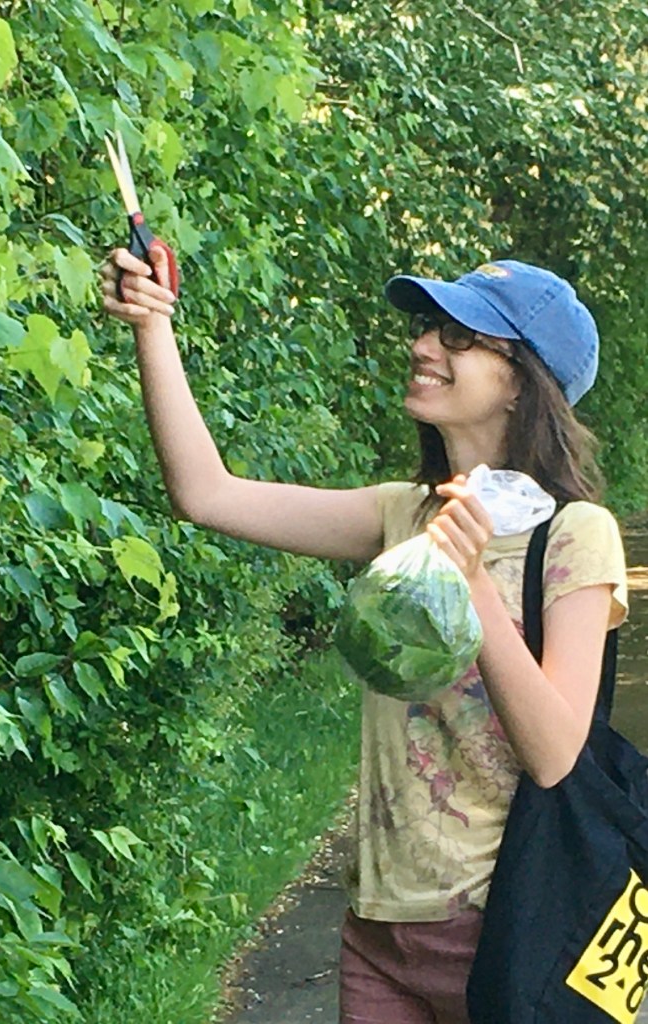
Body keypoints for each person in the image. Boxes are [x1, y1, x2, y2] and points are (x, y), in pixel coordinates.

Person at [101, 249, 627, 1024]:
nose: (423, 346)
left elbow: (554, 754)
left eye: (459, 337)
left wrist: (470, 579)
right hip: (381, 928)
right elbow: (206, 493)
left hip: (507, 923)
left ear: (522, 379)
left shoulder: (576, 534)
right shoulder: (399, 516)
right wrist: (153, 324)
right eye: (426, 327)